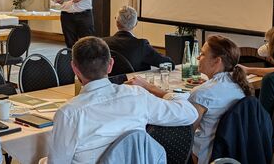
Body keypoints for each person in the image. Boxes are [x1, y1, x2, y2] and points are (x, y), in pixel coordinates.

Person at [47, 37, 198, 163]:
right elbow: (190, 113)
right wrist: (153, 89)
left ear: (74, 68)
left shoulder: (68, 113)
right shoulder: (137, 95)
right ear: (111, 65)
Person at [189, 36, 252, 164]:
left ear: (217, 61)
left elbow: (186, 133)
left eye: (202, 54)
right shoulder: (240, 85)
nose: (197, 58)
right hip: (233, 154)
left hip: (206, 156)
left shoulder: (202, 93)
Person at [103, 5, 172, 71]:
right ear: (136, 24)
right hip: (132, 82)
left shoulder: (103, 43)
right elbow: (168, 64)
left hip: (108, 82)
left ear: (117, 23)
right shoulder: (141, 45)